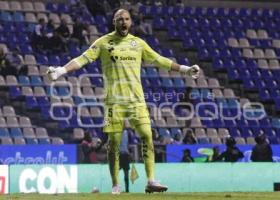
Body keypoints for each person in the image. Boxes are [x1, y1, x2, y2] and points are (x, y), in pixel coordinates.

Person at [46, 8, 200, 194]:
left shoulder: (138, 43)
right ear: (114, 22)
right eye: (120, 19)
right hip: (114, 102)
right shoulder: (103, 43)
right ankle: (115, 185)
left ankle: (151, 180)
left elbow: (160, 60)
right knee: (114, 144)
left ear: (131, 22)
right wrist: (61, 70)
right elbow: (83, 59)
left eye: (127, 19)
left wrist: (185, 69)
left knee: (147, 135)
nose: (124, 22)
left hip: (137, 101)